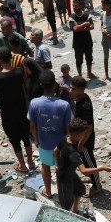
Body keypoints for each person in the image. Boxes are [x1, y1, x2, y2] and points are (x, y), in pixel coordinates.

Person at [0, 47, 36, 173]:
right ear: (11, 57)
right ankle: (31, 162)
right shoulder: (19, 72)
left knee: (15, 140)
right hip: (22, 110)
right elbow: (24, 87)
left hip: (7, 114)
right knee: (26, 138)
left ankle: (22, 165)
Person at [29, 70, 72, 198]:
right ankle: (61, 192)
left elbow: (32, 126)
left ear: (41, 85)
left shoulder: (34, 103)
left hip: (44, 143)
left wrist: (36, 140)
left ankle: (48, 191)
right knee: (60, 169)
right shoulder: (64, 105)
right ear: (55, 84)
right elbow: (67, 128)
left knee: (45, 166)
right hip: (60, 145)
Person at [56, 118, 111, 213]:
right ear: (76, 134)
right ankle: (67, 215)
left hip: (71, 173)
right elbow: (84, 171)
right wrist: (102, 168)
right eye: (83, 134)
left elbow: (56, 150)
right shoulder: (73, 153)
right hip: (64, 178)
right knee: (66, 203)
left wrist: (58, 164)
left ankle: (75, 211)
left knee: (80, 190)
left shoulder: (65, 138)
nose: (84, 136)